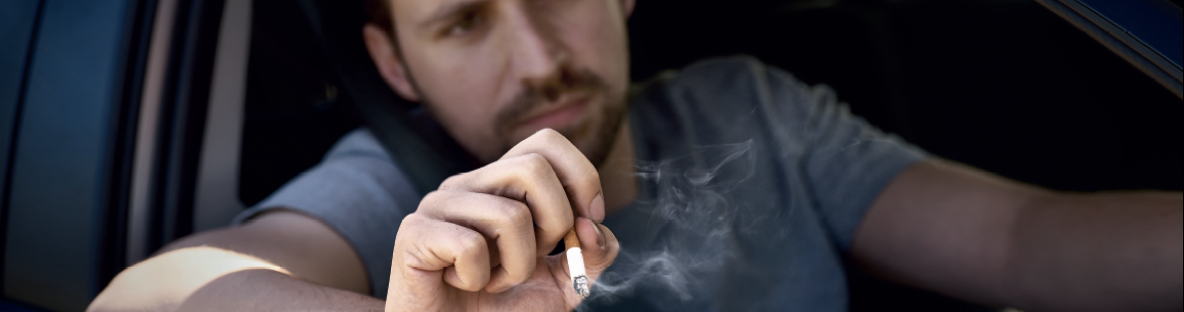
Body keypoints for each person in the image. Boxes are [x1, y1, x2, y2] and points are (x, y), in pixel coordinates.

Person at [88, 0, 1182, 311]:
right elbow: (157, 294)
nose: (537, 60)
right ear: (398, 63)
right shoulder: (399, 204)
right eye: (464, 21)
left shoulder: (748, 112)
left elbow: (1022, 236)